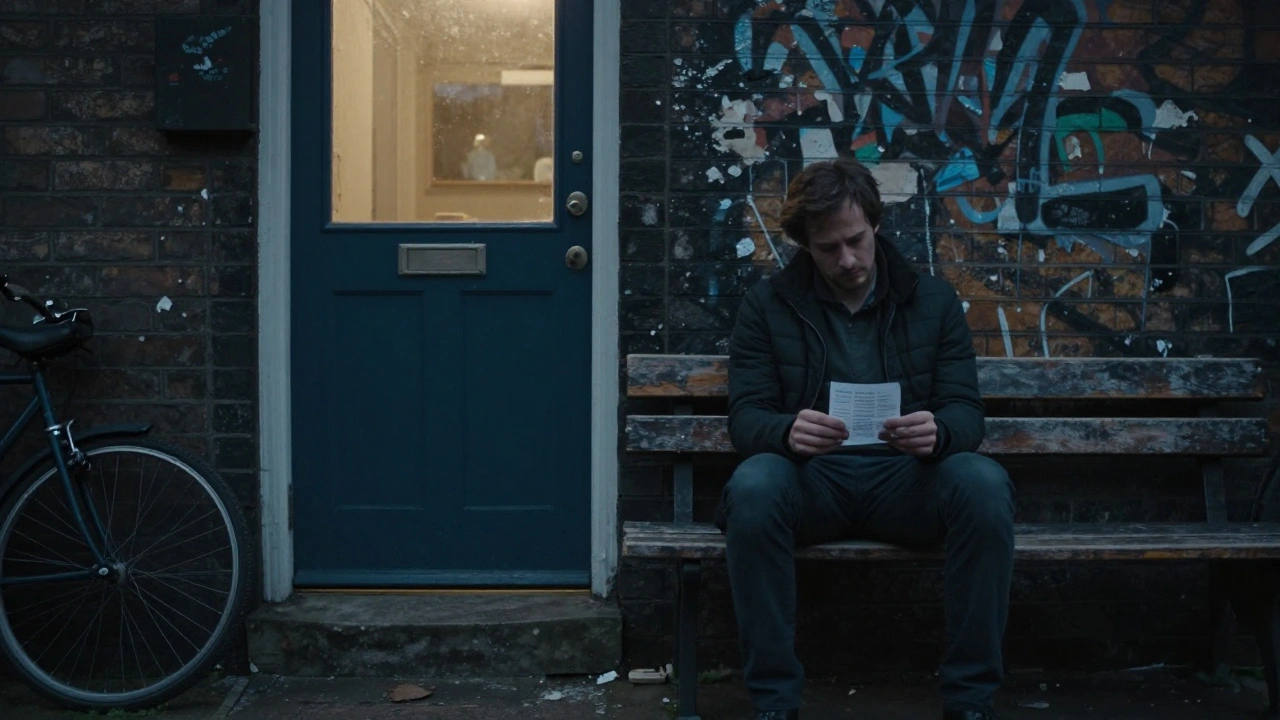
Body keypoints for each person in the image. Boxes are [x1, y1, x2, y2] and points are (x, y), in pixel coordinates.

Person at [715, 157, 1014, 720]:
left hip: (907, 482)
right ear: (805, 244)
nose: (847, 260)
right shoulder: (768, 305)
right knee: (753, 487)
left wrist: (939, 431)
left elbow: (966, 413)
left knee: (983, 484)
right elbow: (746, 418)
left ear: (875, 223)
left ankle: (970, 700)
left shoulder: (933, 300)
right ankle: (775, 702)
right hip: (812, 481)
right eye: (828, 248)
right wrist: (786, 431)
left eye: (855, 240)